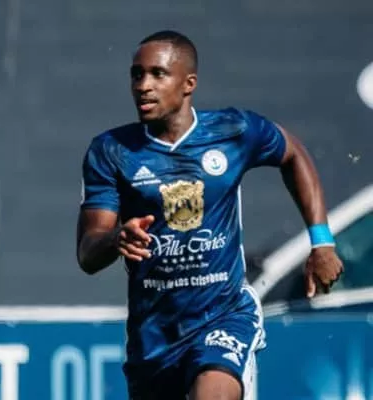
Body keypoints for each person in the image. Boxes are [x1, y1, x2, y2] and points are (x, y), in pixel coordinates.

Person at [76, 30, 344, 400]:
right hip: (154, 336)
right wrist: (115, 238)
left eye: (157, 74)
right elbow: (88, 254)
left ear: (189, 84)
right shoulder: (111, 151)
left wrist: (322, 242)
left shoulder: (234, 131)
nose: (143, 85)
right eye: (137, 74)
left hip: (224, 314)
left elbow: (293, 154)